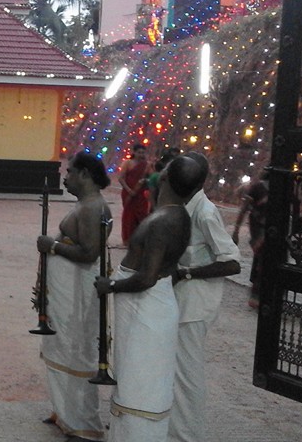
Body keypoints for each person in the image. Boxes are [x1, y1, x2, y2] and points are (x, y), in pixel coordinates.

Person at [94, 155, 201, 442]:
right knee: (137, 383)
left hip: (147, 311)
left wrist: (111, 285)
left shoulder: (163, 220)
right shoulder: (178, 215)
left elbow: (147, 278)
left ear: (163, 177)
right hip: (150, 309)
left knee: (139, 390)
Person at [35, 151, 112, 442]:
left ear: (85, 174)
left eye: (69, 172)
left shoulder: (93, 208)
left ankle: (82, 422)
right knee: (63, 346)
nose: (65, 178)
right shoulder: (85, 205)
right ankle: (65, 413)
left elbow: (89, 253)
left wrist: (51, 247)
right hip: (68, 291)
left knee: (76, 349)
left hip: (79, 293)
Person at [167, 152, 242, 442]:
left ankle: (187, 435)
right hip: (183, 302)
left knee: (187, 375)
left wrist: (186, 273)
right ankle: (173, 430)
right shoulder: (185, 206)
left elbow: (232, 262)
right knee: (175, 372)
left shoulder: (206, 212)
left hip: (195, 305)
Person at [233, 168, 269, 308]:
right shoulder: (259, 188)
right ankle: (258, 293)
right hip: (263, 229)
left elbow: (244, 209)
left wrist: (236, 230)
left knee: (261, 259)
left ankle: (258, 291)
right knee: (263, 259)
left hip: (259, 229)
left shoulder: (257, 187)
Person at [118, 143, 150, 244]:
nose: (141, 155)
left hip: (141, 195)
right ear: (134, 152)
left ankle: (139, 240)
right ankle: (127, 239)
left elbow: (150, 178)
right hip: (128, 194)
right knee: (128, 216)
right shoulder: (127, 163)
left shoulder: (147, 165)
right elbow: (121, 178)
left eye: (143, 153)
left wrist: (145, 182)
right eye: (139, 152)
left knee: (141, 215)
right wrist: (129, 190)